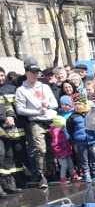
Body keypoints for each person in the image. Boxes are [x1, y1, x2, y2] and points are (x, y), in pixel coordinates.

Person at [15, 60, 57, 188]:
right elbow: (20, 109)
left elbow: (55, 103)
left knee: (50, 148)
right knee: (40, 149)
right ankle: (41, 175)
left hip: (49, 120)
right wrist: (36, 111)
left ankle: (51, 173)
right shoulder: (21, 90)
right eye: (33, 73)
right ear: (26, 73)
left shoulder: (45, 87)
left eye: (37, 73)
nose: (35, 75)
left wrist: (47, 105)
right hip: (35, 121)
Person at [0, 68, 26, 191]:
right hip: (3, 127)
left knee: (16, 153)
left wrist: (11, 117)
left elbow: (9, 106)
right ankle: (6, 183)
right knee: (4, 154)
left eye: (1, 75)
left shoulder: (11, 89)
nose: (0, 78)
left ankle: (16, 180)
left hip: (13, 125)